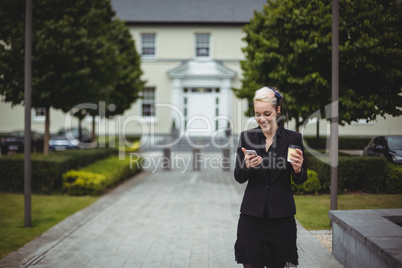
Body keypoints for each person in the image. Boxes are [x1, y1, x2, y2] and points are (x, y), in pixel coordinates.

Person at [234, 86, 307, 268]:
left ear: (278, 111)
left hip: (281, 218)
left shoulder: (292, 139)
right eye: (258, 114)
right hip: (251, 217)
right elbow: (239, 176)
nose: (262, 119)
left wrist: (298, 170)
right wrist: (247, 166)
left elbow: (300, 178)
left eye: (267, 113)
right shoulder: (247, 137)